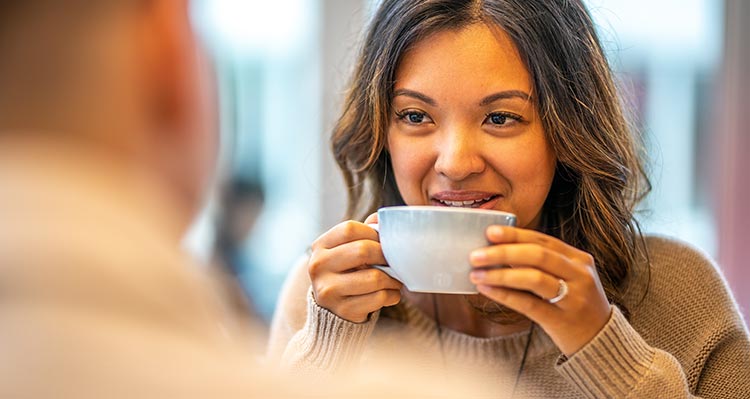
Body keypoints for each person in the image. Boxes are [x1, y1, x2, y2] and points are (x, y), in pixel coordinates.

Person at [268, 0, 750, 397]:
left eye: (500, 118)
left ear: (567, 132)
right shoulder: (328, 293)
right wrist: (325, 353)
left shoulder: (677, 295)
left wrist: (604, 350)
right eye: (415, 116)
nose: (455, 163)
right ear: (380, 132)